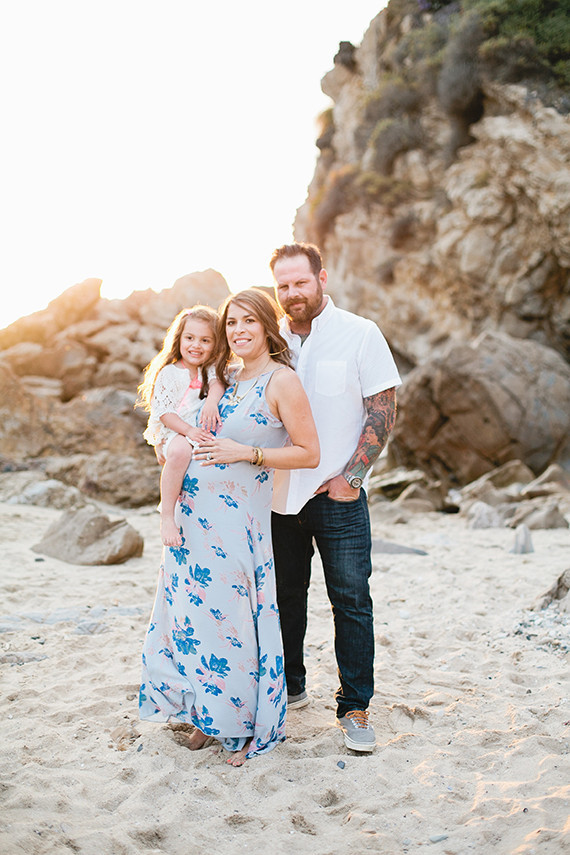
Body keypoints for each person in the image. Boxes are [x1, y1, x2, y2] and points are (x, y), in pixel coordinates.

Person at [139, 289, 320, 766]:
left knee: (234, 625)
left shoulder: (282, 381)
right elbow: (176, 427)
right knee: (196, 622)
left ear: (267, 327)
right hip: (190, 525)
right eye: (232, 323)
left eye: (248, 321)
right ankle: (207, 716)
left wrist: (248, 453)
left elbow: (309, 452)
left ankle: (239, 724)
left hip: (237, 528)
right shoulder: (226, 377)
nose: (238, 330)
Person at [269, 242, 401, 753]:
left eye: (300, 282)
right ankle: (290, 687)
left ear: (321, 279)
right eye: (283, 285)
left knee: (350, 601)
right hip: (278, 497)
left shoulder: (360, 333)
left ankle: (355, 707)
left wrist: (353, 476)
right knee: (283, 599)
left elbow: (382, 409)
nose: (292, 293)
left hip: (337, 496)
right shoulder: (269, 339)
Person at [136, 306, 225, 547]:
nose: (196, 345)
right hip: (176, 430)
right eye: (190, 338)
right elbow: (165, 413)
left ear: (215, 344)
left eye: (205, 340)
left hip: (197, 431)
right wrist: (188, 431)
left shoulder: (209, 369)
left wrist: (212, 402)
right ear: (179, 339)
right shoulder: (170, 372)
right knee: (180, 451)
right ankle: (167, 517)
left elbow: (218, 384)